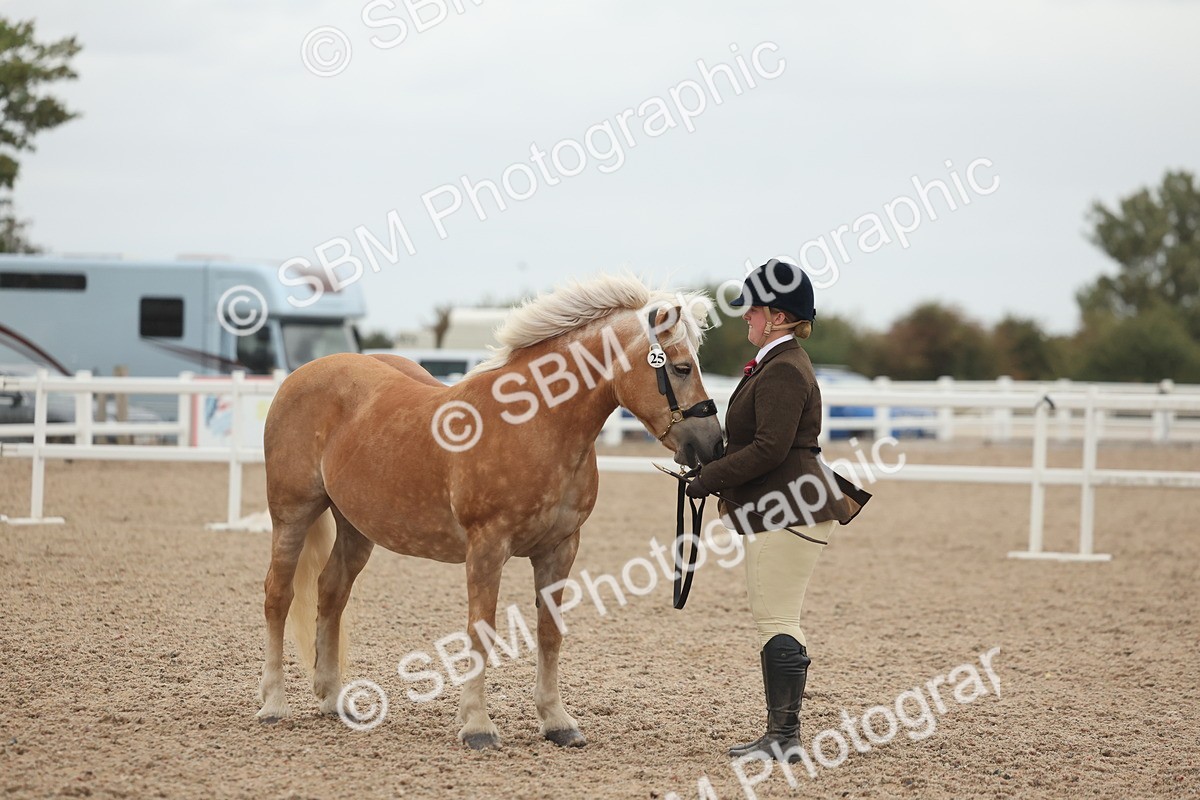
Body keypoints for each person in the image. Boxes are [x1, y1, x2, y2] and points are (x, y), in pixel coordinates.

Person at [684, 259, 869, 762]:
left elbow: (770, 449)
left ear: (780, 317)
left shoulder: (784, 368)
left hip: (790, 506)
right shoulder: (775, 363)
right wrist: (711, 459)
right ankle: (782, 734)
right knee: (775, 614)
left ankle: (784, 738)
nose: (745, 316)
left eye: (754, 310)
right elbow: (762, 443)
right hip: (786, 502)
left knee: (776, 617)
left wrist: (707, 480)